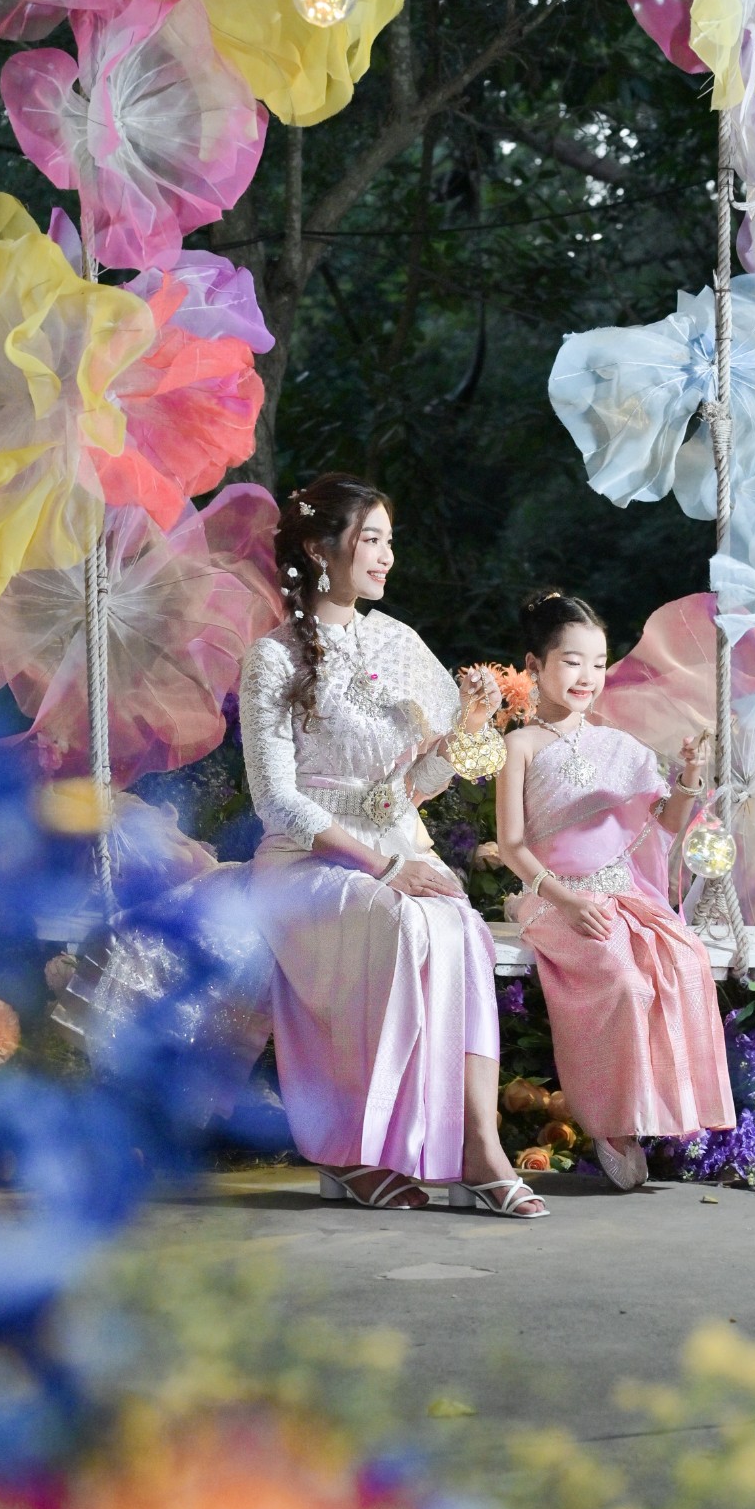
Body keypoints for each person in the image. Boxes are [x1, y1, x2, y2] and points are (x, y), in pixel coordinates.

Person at [238, 474, 548, 1219]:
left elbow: (416, 782)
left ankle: (478, 1148)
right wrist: (382, 865)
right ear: (320, 550)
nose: (386, 557)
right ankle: (353, 1150)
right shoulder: (272, 660)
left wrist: (469, 727)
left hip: (396, 845)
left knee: (462, 927)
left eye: (388, 541)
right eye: (370, 540)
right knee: (404, 923)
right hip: (306, 863)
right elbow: (276, 801)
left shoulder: (399, 642)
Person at [495, 591, 735, 1190]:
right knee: (625, 982)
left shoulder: (620, 746)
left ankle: (667, 1109)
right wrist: (566, 900)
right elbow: (513, 846)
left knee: (684, 961)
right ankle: (610, 1123)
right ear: (534, 666)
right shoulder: (519, 747)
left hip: (622, 895)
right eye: (572, 661)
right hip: (555, 898)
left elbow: (669, 824)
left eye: (599, 664)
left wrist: (689, 776)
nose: (587, 676)